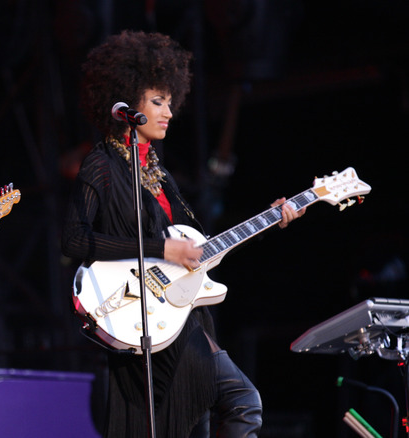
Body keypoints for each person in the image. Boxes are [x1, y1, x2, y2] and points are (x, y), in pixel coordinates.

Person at [61, 31, 304, 437]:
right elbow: (73, 240)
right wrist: (163, 248)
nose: (169, 112)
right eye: (158, 101)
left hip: (182, 313)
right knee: (243, 401)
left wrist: (268, 220)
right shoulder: (100, 165)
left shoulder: (157, 171)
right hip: (140, 312)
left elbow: (198, 249)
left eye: (170, 102)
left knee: (198, 426)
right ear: (125, 102)